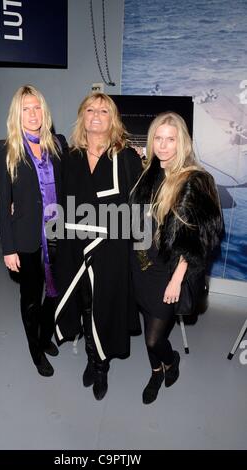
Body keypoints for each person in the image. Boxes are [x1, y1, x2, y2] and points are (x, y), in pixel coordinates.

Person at [130, 111, 223, 404]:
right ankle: (156, 370)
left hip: (169, 271)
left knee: (154, 339)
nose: (163, 145)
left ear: (182, 142)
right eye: (158, 138)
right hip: (142, 262)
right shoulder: (151, 172)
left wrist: (176, 280)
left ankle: (169, 362)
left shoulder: (195, 181)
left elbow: (198, 240)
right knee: (147, 324)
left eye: (170, 139)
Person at [54, 92, 143, 400]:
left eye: (104, 111)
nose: (96, 115)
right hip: (74, 244)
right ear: (82, 116)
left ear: (112, 119)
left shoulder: (127, 157)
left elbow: (138, 206)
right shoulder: (70, 155)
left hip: (111, 247)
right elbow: (60, 200)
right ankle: (93, 356)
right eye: (90, 109)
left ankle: (100, 364)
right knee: (83, 302)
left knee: (103, 304)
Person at [0, 85, 68, 377]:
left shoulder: (57, 144)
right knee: (30, 297)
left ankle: (45, 337)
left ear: (44, 111)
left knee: (54, 293)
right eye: (26, 108)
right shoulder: (4, 150)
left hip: (56, 233)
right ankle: (35, 352)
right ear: (17, 113)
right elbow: (3, 204)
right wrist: (7, 248)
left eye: (37, 107)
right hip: (24, 237)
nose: (33, 114)